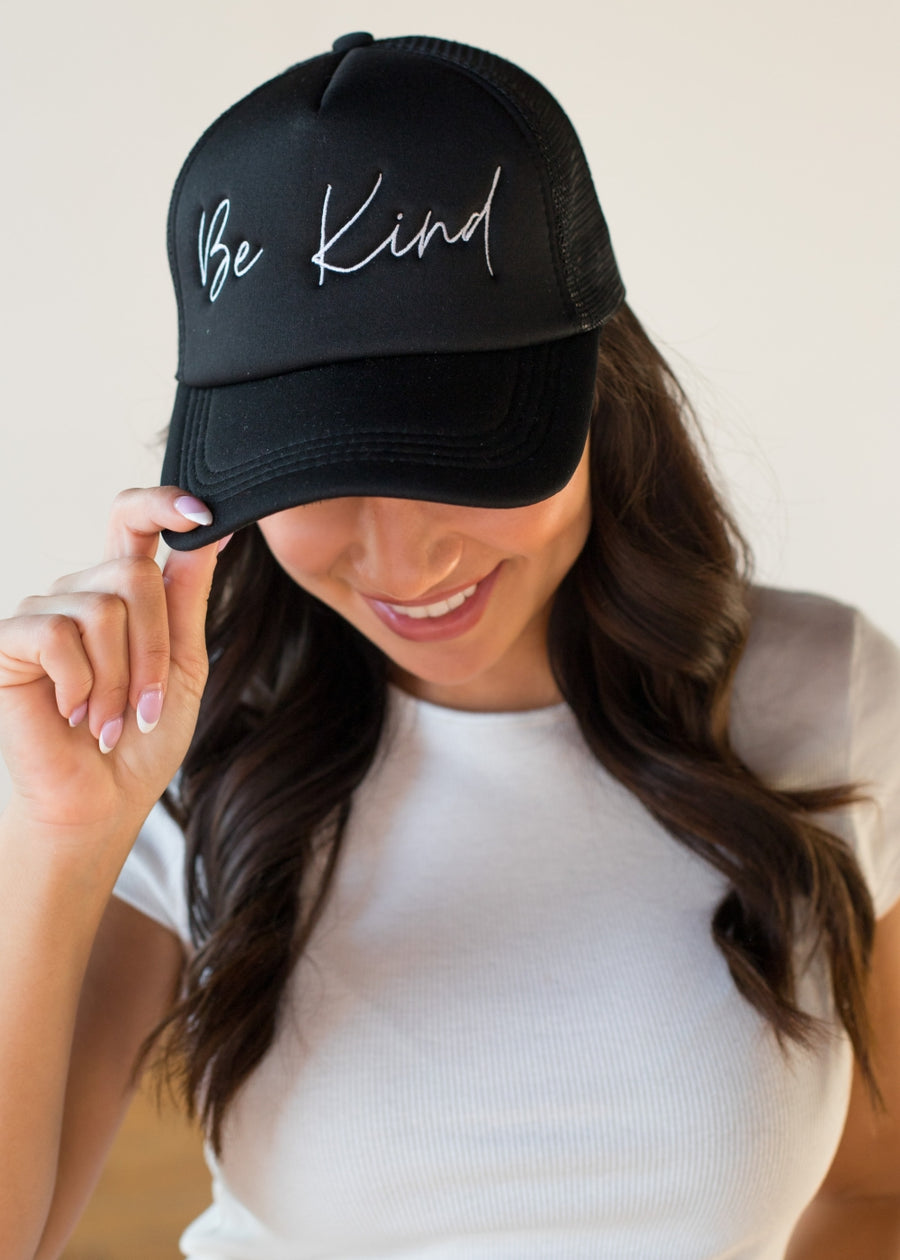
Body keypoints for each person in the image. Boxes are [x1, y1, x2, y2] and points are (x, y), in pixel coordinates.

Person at [1, 30, 898, 1260]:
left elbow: (870, 1193)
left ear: (599, 385)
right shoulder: (185, 748)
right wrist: (55, 838)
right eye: (322, 481)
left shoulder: (828, 694)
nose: (403, 565)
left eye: (457, 461)